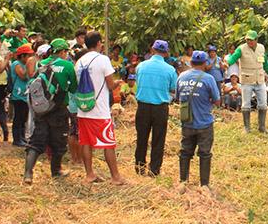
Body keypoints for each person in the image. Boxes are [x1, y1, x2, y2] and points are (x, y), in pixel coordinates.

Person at [23, 38, 77, 184]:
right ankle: (56, 171)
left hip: (41, 108)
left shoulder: (42, 63)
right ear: (63, 51)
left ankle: (28, 173)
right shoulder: (67, 65)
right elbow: (73, 88)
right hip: (58, 108)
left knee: (36, 140)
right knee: (59, 141)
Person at [75, 32, 126, 185]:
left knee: (86, 142)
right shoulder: (103, 59)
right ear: (98, 43)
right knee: (108, 143)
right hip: (100, 110)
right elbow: (110, 85)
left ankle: (89, 174)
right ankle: (115, 177)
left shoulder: (80, 61)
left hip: (83, 108)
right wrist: (117, 83)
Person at [177, 51, 220, 188]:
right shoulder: (208, 79)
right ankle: (204, 185)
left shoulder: (182, 77)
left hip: (187, 121)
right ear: (205, 63)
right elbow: (217, 101)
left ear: (191, 62)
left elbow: (178, 97)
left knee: (185, 151)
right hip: (204, 122)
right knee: (205, 153)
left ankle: (183, 181)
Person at [134, 40, 177, 177]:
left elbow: (138, 83)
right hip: (160, 108)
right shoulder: (170, 70)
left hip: (143, 107)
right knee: (158, 139)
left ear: (152, 50)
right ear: (166, 53)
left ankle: (139, 167)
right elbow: (173, 90)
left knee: (141, 138)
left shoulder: (141, 66)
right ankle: (154, 170)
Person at [226, 30, 268, 133]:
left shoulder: (261, 48)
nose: (249, 42)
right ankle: (246, 128)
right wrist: (227, 63)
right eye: (247, 40)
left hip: (260, 80)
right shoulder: (241, 49)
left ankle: (262, 127)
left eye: (251, 40)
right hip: (247, 80)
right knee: (246, 104)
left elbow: (265, 63)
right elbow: (233, 58)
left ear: (256, 40)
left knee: (263, 104)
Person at [9, 44, 35, 146]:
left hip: (25, 94)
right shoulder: (16, 64)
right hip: (18, 94)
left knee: (24, 117)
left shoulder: (26, 64)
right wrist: (29, 67)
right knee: (18, 117)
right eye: (28, 56)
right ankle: (17, 139)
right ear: (23, 56)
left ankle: (22, 137)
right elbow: (23, 76)